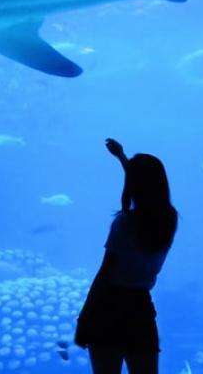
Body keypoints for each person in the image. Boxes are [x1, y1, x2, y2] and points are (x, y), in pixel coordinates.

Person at [75, 138, 179, 374]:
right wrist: (122, 158)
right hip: (140, 310)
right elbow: (145, 191)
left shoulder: (124, 224)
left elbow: (105, 272)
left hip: (107, 308)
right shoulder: (169, 220)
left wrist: (84, 318)